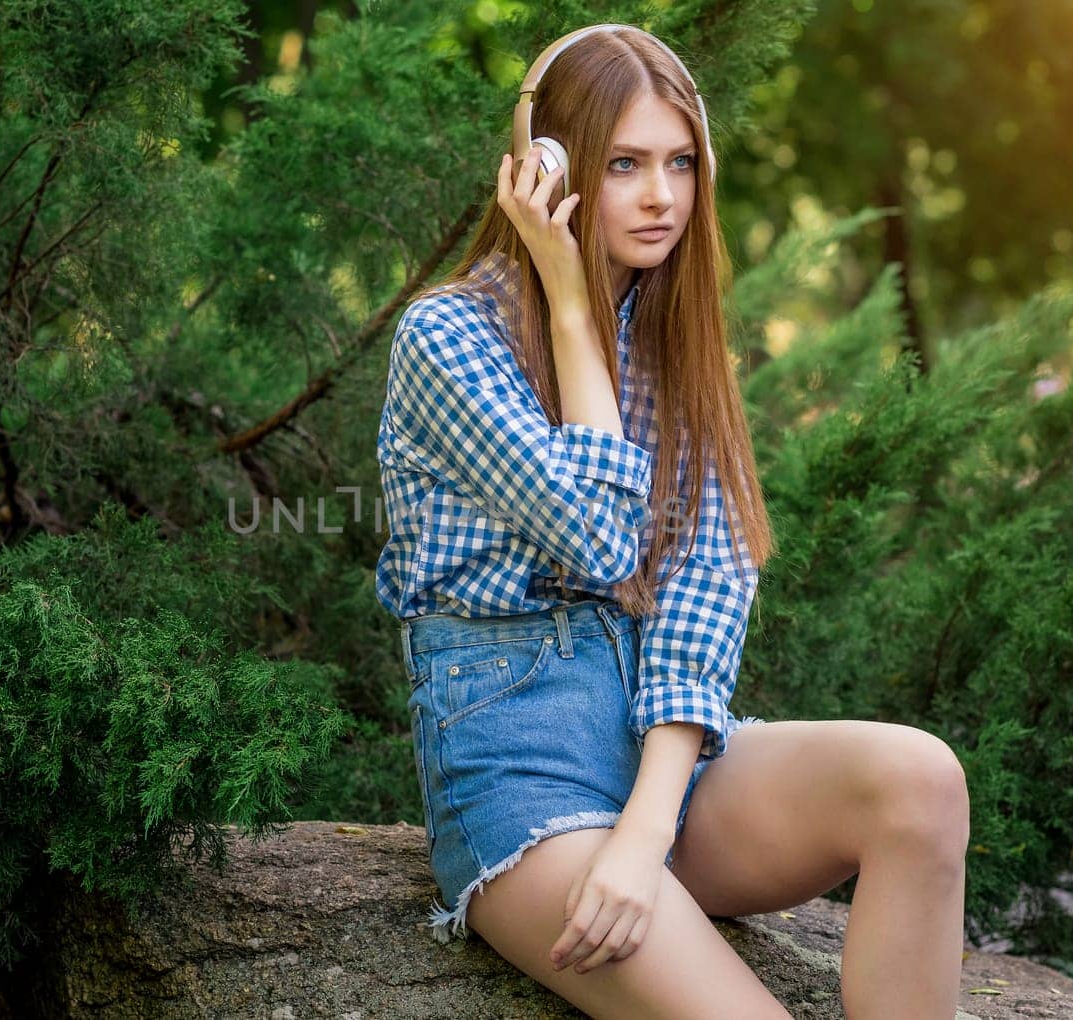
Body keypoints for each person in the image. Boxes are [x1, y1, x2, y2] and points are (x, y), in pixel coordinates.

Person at [373, 23, 970, 1019]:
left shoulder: (676, 345)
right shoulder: (447, 341)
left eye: (680, 163)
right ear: (548, 171)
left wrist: (645, 833)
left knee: (920, 781)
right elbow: (596, 536)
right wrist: (568, 305)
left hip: (666, 763)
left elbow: (702, 596)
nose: (661, 196)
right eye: (623, 165)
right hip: (519, 765)